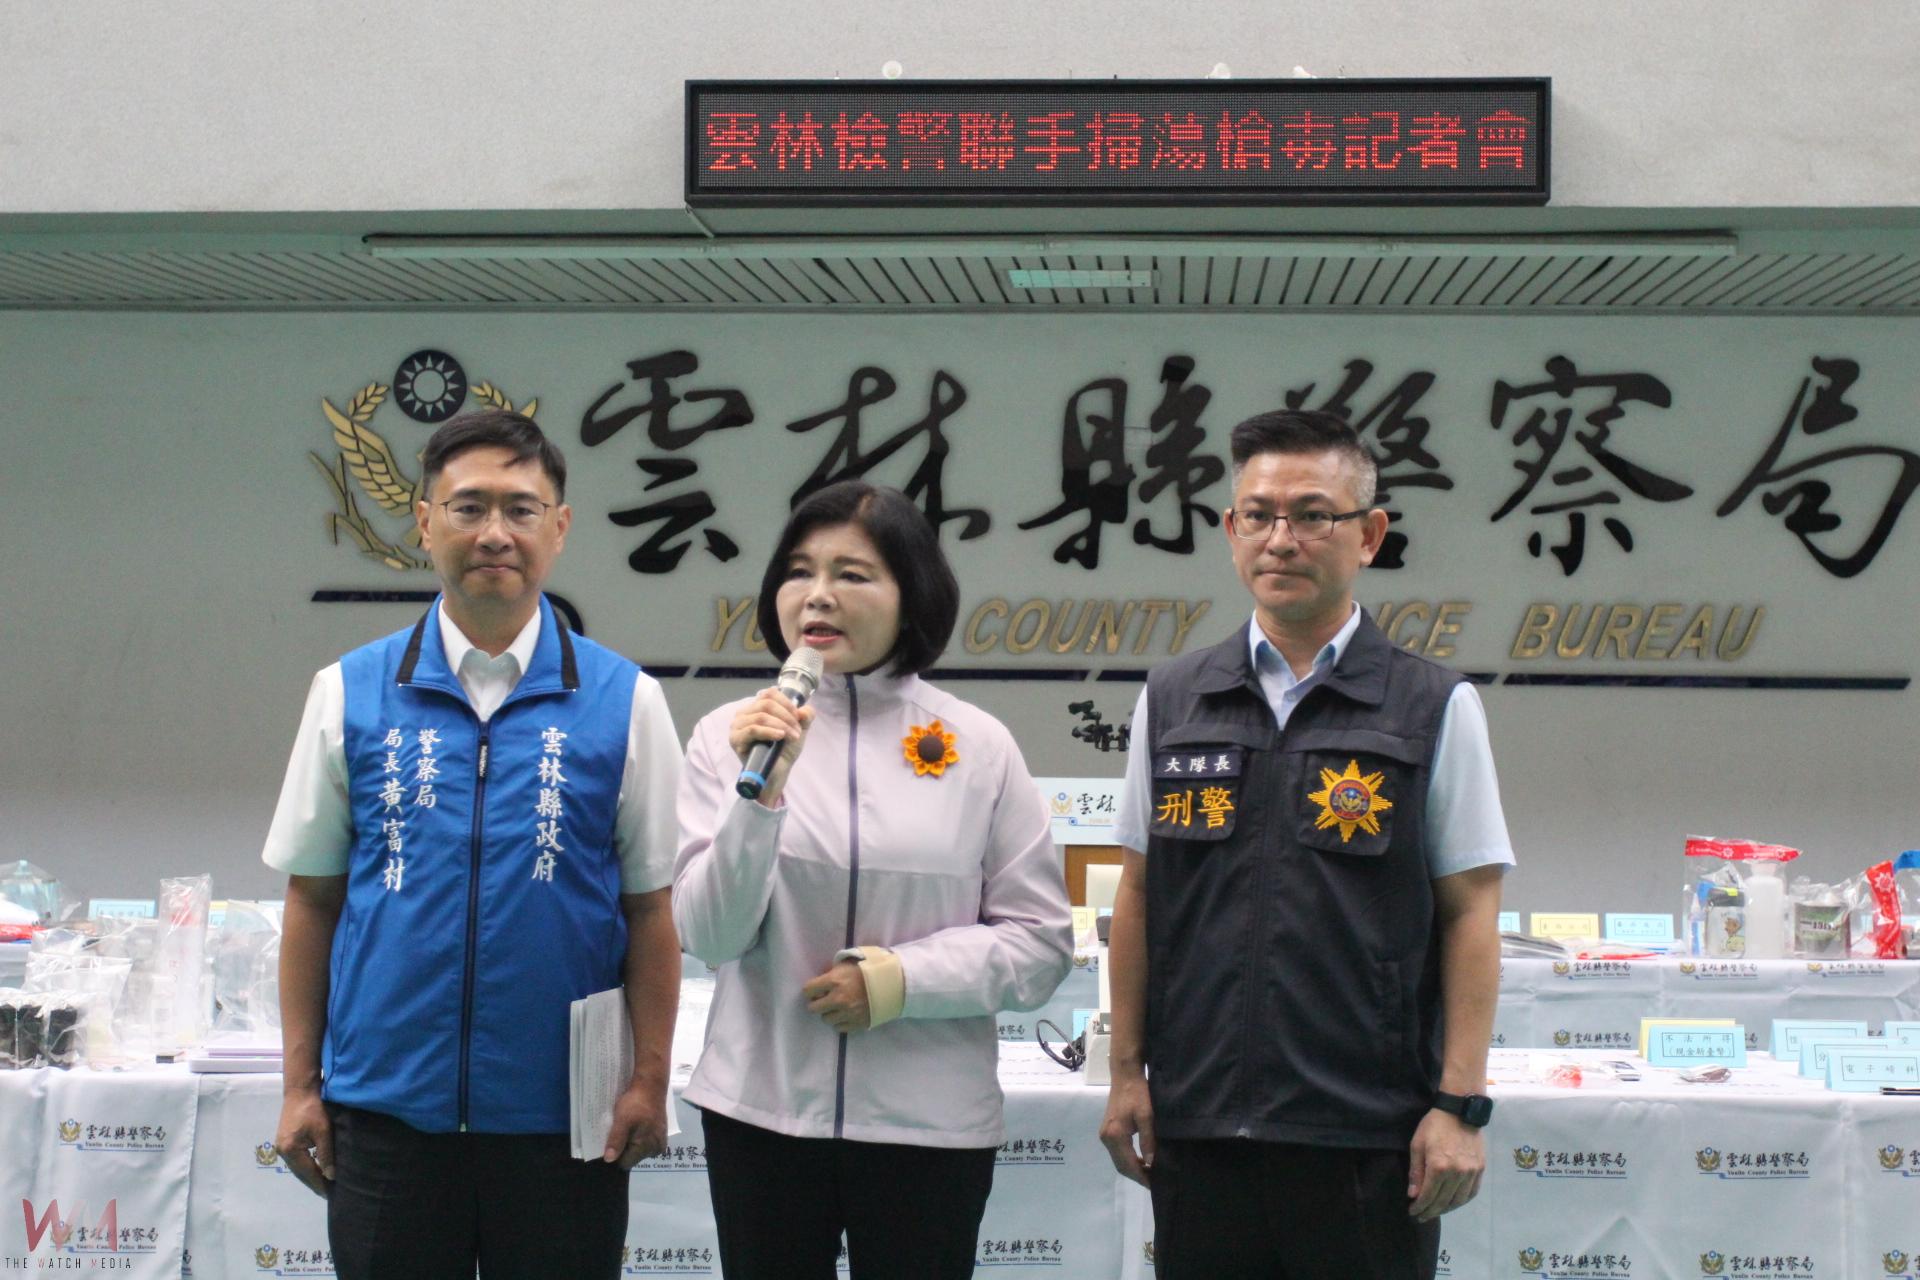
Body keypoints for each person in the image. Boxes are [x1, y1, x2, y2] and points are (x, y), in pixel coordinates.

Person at [262, 409, 683, 1279]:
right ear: (424, 522)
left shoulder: (626, 701)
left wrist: (648, 1077)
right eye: (469, 507)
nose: (496, 533)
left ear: (560, 528)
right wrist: (300, 1086)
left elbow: (650, 911)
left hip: (565, 1124)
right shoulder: (348, 691)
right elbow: (314, 898)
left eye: (522, 509)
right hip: (386, 1119)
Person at [1098, 409, 1512, 1280]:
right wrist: (1126, 1073)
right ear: (1231, 529)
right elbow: (1137, 892)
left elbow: (1471, 911)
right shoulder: (1174, 698)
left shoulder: (1433, 704)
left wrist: (1459, 1103)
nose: (1280, 539)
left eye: (1312, 515)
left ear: (1369, 535)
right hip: (1200, 1124)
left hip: (1366, 1133)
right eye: (1259, 515)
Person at [674, 480, 1073, 1280]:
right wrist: (762, 797)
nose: (817, 595)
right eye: (798, 571)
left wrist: (900, 981)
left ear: (910, 596)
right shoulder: (729, 737)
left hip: (928, 1127)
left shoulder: (980, 746)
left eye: (852, 574)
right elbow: (708, 933)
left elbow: (1040, 946)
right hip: (763, 1117)